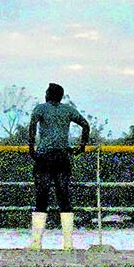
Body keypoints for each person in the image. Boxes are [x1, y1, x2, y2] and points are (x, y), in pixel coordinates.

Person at [26, 82, 91, 250]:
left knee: (41, 197)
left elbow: (32, 126)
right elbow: (85, 124)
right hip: (62, 156)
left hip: (45, 157)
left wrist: (31, 148)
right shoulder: (68, 110)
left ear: (48, 94)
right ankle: (68, 243)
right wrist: (82, 146)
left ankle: (36, 243)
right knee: (64, 197)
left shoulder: (40, 109)